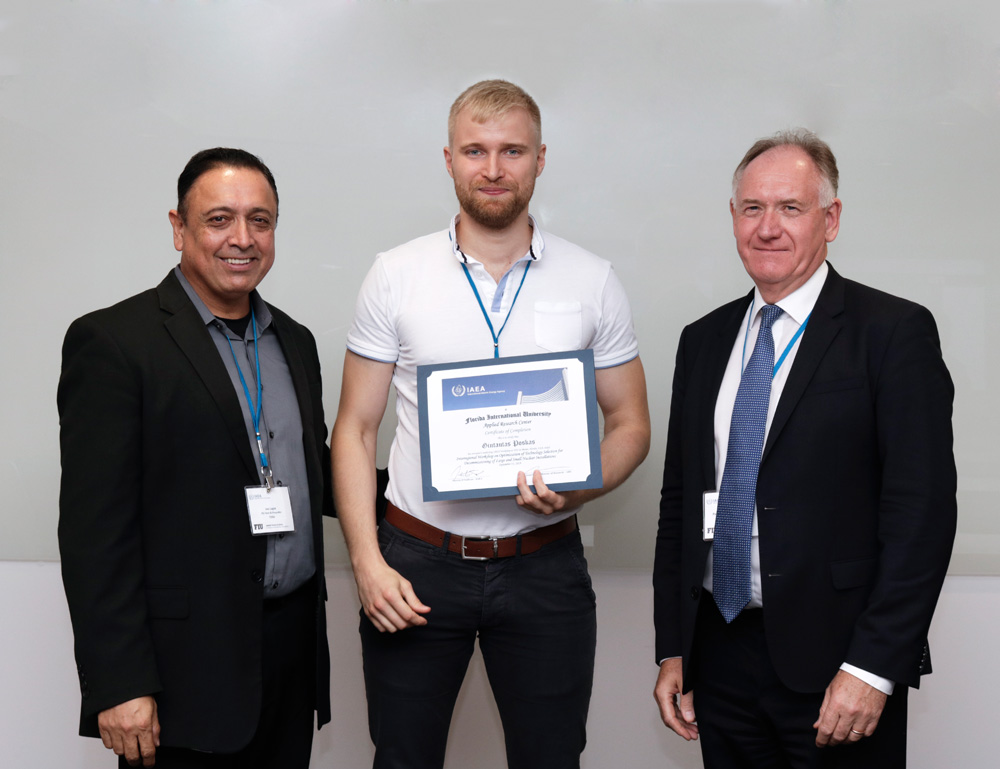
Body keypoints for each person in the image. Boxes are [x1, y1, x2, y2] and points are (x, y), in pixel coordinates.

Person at [332, 79, 650, 769]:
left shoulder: (593, 279)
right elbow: (354, 428)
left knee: (552, 759)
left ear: (541, 158)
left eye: (513, 150)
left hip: (545, 566)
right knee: (403, 758)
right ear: (449, 159)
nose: (494, 169)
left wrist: (581, 485)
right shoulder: (395, 274)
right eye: (475, 150)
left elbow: (631, 422)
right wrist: (367, 563)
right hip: (416, 564)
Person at [652, 129, 956, 768]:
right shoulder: (702, 341)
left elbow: (921, 517)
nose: (768, 228)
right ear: (733, 217)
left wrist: (873, 668)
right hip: (721, 655)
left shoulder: (892, 332)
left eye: (790, 208)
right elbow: (681, 502)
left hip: (838, 663)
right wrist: (675, 646)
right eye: (752, 208)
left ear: (831, 219)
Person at [58, 148, 335, 768]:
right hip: (183, 668)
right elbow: (93, 534)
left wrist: (442, 485)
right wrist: (120, 682)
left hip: (289, 655)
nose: (242, 238)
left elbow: (314, 473)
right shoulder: (114, 342)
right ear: (178, 228)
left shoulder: (294, 340)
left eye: (260, 220)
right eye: (219, 219)